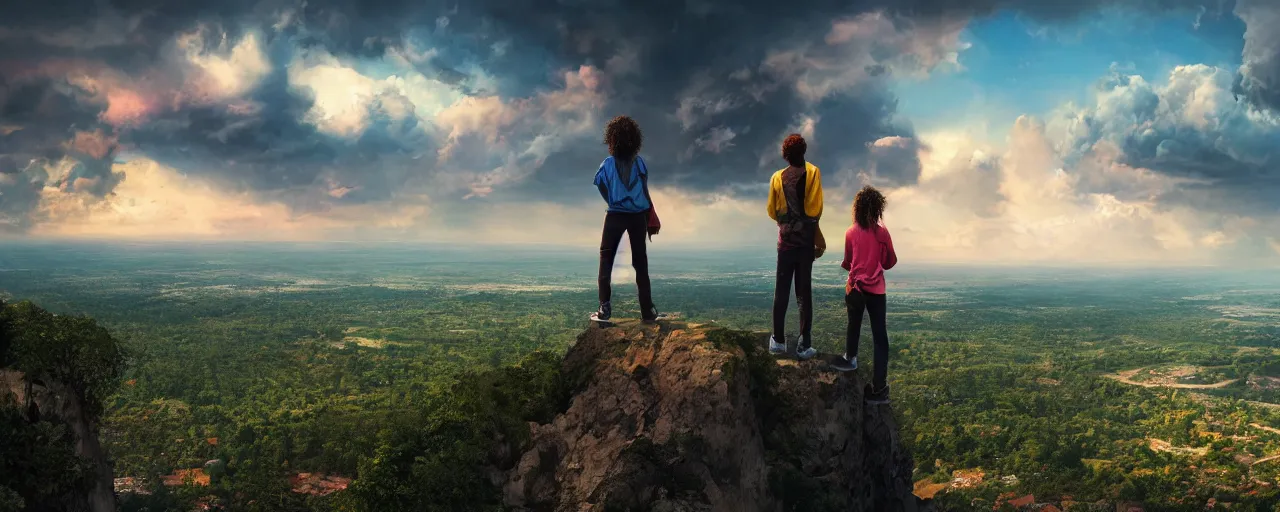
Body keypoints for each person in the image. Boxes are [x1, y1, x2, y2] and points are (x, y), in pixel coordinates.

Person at [590, 115, 666, 324]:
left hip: (614, 216)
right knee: (640, 263)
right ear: (635, 140)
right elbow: (645, 190)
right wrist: (649, 213)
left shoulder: (607, 164)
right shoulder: (639, 163)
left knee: (606, 260)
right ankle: (647, 311)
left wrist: (613, 201)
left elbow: (600, 185)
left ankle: (604, 309)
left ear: (611, 139)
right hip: (637, 217)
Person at [832, 185, 897, 405]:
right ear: (878, 208)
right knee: (880, 338)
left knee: (854, 325)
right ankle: (879, 388)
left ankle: (850, 358)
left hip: (856, 288)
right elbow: (890, 262)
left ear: (857, 208)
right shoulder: (882, 233)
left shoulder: (850, 232)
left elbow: (848, 262)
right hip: (877, 290)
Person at [766, 133, 825, 360]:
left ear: (785, 154)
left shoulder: (776, 178)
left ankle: (778, 341)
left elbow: (772, 210)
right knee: (803, 294)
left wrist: (786, 224)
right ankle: (804, 344)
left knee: (781, 291)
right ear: (804, 151)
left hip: (785, 244)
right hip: (805, 244)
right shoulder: (812, 172)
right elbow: (815, 209)